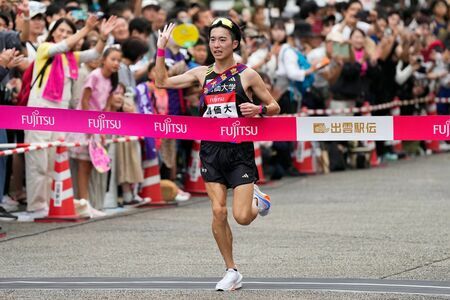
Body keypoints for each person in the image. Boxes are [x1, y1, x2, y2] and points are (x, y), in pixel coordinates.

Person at [154, 18, 280, 291]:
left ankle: (260, 201)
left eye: (222, 39)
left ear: (234, 43)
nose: (216, 45)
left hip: (239, 151)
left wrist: (258, 110)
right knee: (218, 210)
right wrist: (161, 49)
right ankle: (231, 270)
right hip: (210, 150)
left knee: (242, 217)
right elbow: (161, 81)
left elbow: (274, 106)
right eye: (212, 40)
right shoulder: (202, 74)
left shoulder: (247, 75)